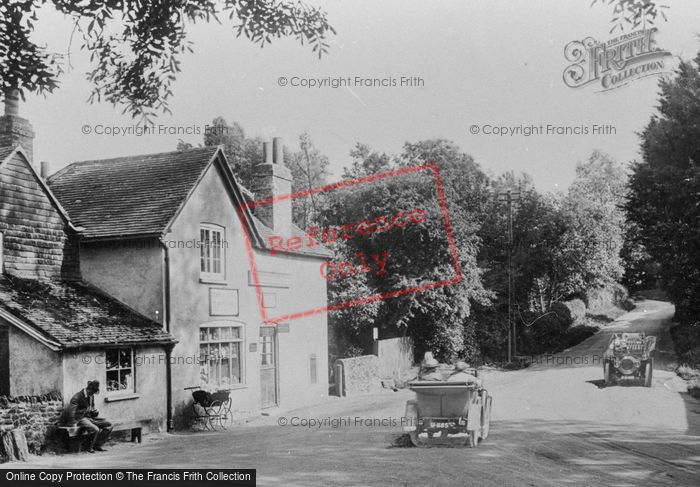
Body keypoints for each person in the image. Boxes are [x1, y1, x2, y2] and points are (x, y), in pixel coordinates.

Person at [65, 380, 113, 453]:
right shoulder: (77, 397)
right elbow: (71, 413)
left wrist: (94, 412)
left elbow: (92, 407)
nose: (92, 394)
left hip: (90, 418)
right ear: (89, 389)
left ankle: (97, 445)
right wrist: (73, 424)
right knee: (95, 429)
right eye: (92, 392)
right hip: (80, 418)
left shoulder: (91, 396)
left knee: (109, 425)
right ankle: (88, 447)